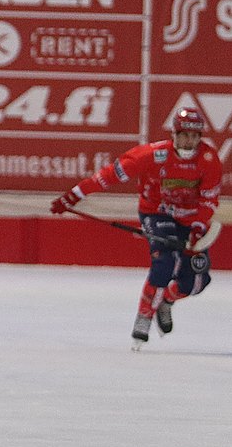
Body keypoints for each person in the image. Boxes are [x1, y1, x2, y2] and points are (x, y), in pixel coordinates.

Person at [51, 107, 222, 347]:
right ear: (174, 133)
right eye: (184, 134)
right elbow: (109, 175)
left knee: (196, 281)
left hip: (190, 219)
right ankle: (144, 316)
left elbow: (208, 199)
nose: (190, 141)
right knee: (165, 261)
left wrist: (196, 226)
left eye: (195, 136)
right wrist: (74, 195)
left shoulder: (209, 159)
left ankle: (166, 301)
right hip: (157, 212)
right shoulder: (151, 155)